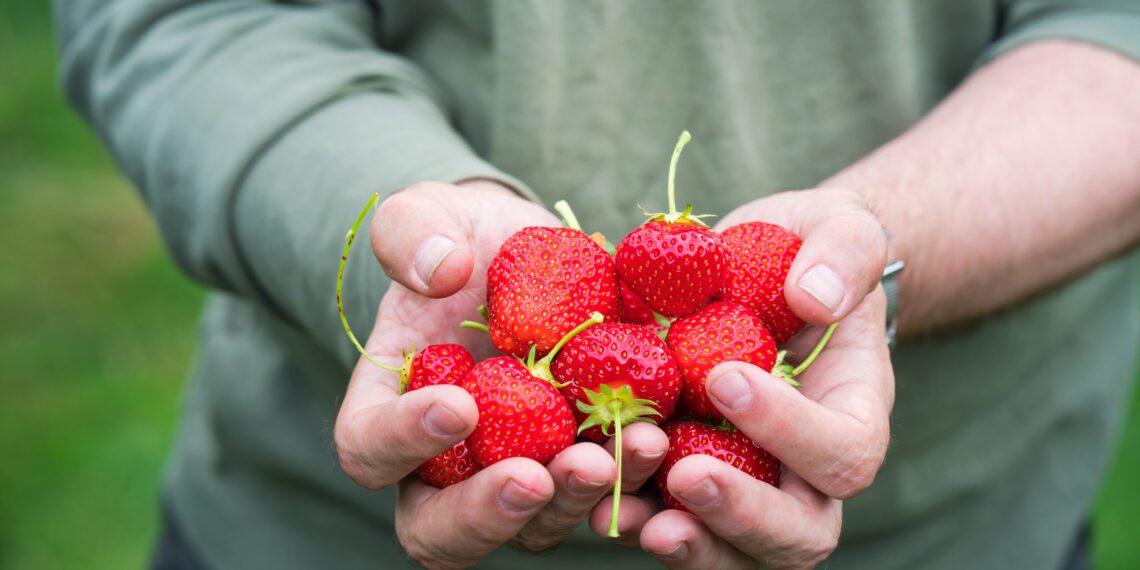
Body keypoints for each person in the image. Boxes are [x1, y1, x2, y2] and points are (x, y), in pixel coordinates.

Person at [55, 1, 1140, 568]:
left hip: (957, 537)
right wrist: (407, 220)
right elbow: (190, 13)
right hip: (305, 540)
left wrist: (871, 259)